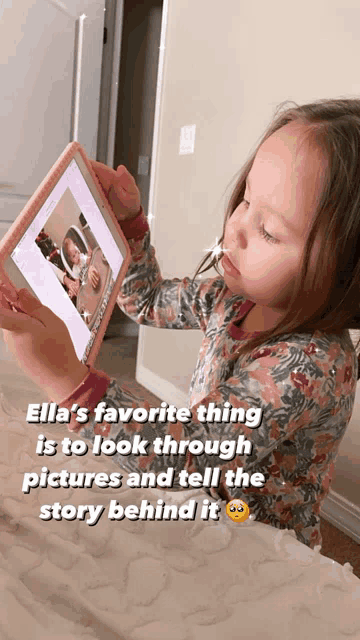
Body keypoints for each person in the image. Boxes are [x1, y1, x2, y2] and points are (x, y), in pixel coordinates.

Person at [1, 98, 359, 550]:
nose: (235, 230)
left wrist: (72, 385)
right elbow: (147, 300)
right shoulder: (229, 298)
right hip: (209, 502)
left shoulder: (310, 364)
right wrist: (130, 224)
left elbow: (188, 455)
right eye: (245, 200)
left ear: (345, 273)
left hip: (263, 545)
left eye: (268, 230)